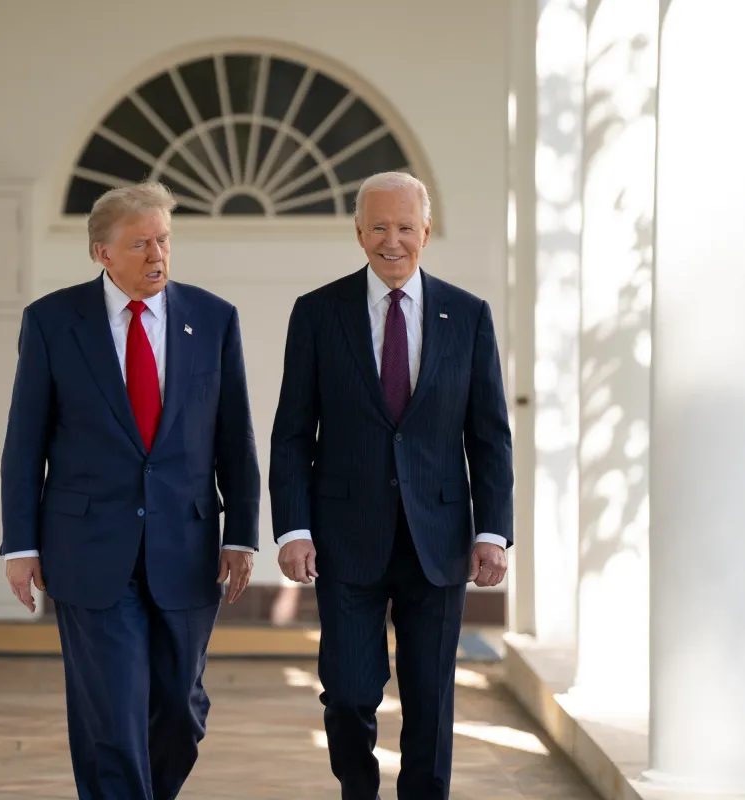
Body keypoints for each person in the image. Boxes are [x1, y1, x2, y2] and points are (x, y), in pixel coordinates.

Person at [0, 182, 260, 800]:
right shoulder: (52, 322)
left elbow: (235, 437)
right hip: (87, 548)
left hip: (188, 546)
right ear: (101, 253)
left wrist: (243, 533)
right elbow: (24, 440)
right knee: (113, 718)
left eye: (163, 240)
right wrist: (20, 545)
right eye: (139, 243)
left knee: (180, 712)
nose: (156, 255)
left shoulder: (214, 318)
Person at [269, 171, 513, 799]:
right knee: (349, 691)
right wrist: (293, 527)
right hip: (345, 539)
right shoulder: (318, 313)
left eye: (405, 227)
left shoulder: (469, 315)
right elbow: (293, 433)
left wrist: (493, 531)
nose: (392, 240)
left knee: (431, 700)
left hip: (439, 537)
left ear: (426, 233)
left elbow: (489, 436)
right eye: (379, 226)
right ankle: (360, 791)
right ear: (358, 233)